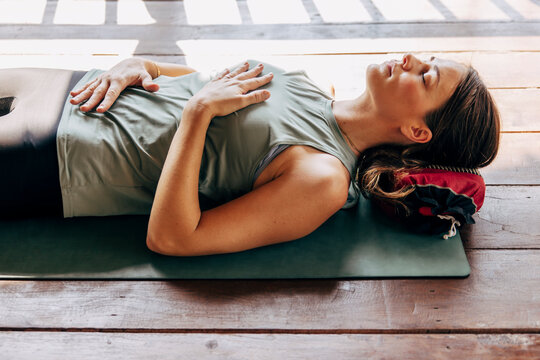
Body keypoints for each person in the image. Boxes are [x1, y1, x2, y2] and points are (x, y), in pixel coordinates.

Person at [0, 54, 500, 256]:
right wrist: (136, 64)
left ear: (417, 131)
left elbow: (174, 238)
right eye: (428, 58)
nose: (412, 60)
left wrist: (197, 115)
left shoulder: (323, 177)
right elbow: (196, 82)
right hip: (62, 87)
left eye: (426, 77)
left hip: (51, 154)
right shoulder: (306, 85)